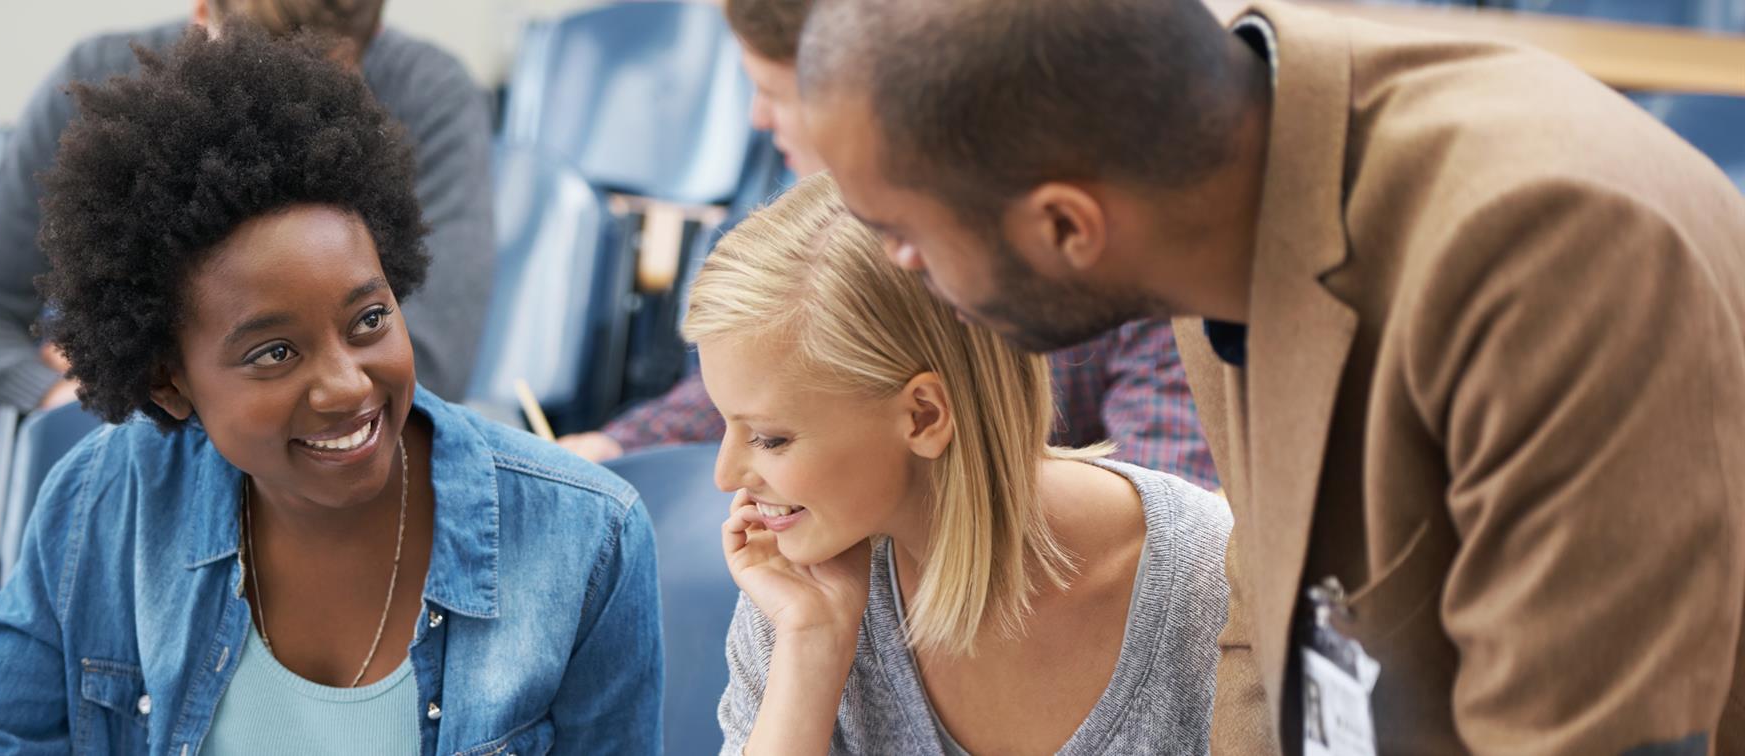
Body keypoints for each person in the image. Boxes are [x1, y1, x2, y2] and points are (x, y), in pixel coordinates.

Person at [793, 0, 1745, 752]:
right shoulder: (1225, 188)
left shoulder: (1550, 255)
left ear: (1069, 228)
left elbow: (1590, 739)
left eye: (905, 233)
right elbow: (1273, 608)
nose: (899, 267)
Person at [0, 23, 659, 755]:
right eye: (275, 352)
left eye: (370, 318)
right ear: (168, 383)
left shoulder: (585, 539)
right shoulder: (107, 500)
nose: (348, 384)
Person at [557, 0, 1218, 494]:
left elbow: (1168, 513)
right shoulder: (835, 239)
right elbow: (774, 371)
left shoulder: (1132, 261)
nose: (757, 120)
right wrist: (623, 443)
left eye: (774, 92)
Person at [695, 173, 1234, 754]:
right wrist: (811, 648)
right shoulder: (800, 587)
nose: (725, 476)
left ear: (925, 417)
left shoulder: (1212, 589)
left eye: (771, 439)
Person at [0, 0, 494, 411]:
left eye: (323, 88)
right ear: (199, 18)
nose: (280, 119)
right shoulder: (93, 85)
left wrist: (188, 391)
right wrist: (65, 398)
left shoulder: (430, 96)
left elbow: (427, 365)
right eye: (248, 76)